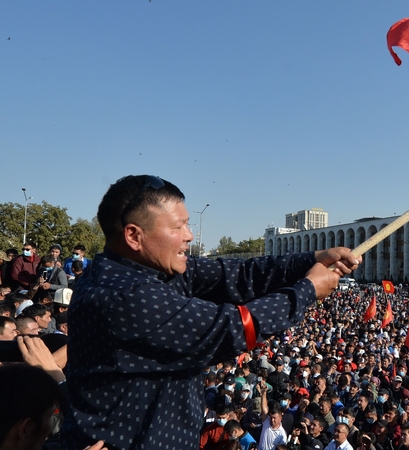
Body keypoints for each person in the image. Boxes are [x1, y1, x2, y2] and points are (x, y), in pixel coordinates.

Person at [60, 175, 360, 450]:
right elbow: (236, 328)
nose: (189, 235)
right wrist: (308, 290)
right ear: (134, 236)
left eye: (187, 224)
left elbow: (241, 275)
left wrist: (313, 257)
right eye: (177, 227)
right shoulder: (125, 295)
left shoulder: (149, 269)